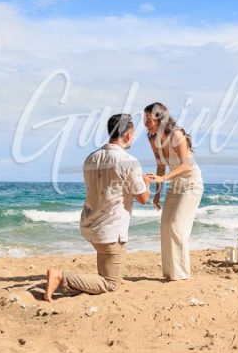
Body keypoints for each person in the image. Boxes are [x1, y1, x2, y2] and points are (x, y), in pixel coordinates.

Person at [45, 113, 150, 300]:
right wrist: (146, 183)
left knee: (106, 264)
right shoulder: (129, 161)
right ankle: (61, 277)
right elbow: (143, 198)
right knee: (111, 285)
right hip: (111, 230)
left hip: (90, 224)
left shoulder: (91, 158)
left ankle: (106, 276)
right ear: (127, 135)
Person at [143, 102, 204, 281]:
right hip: (174, 186)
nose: (146, 122)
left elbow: (186, 165)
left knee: (177, 227)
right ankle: (170, 274)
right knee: (165, 227)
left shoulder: (176, 135)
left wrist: (163, 179)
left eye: (149, 118)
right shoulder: (152, 139)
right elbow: (161, 166)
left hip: (191, 185)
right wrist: (157, 193)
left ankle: (182, 274)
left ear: (160, 118)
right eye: (144, 118)